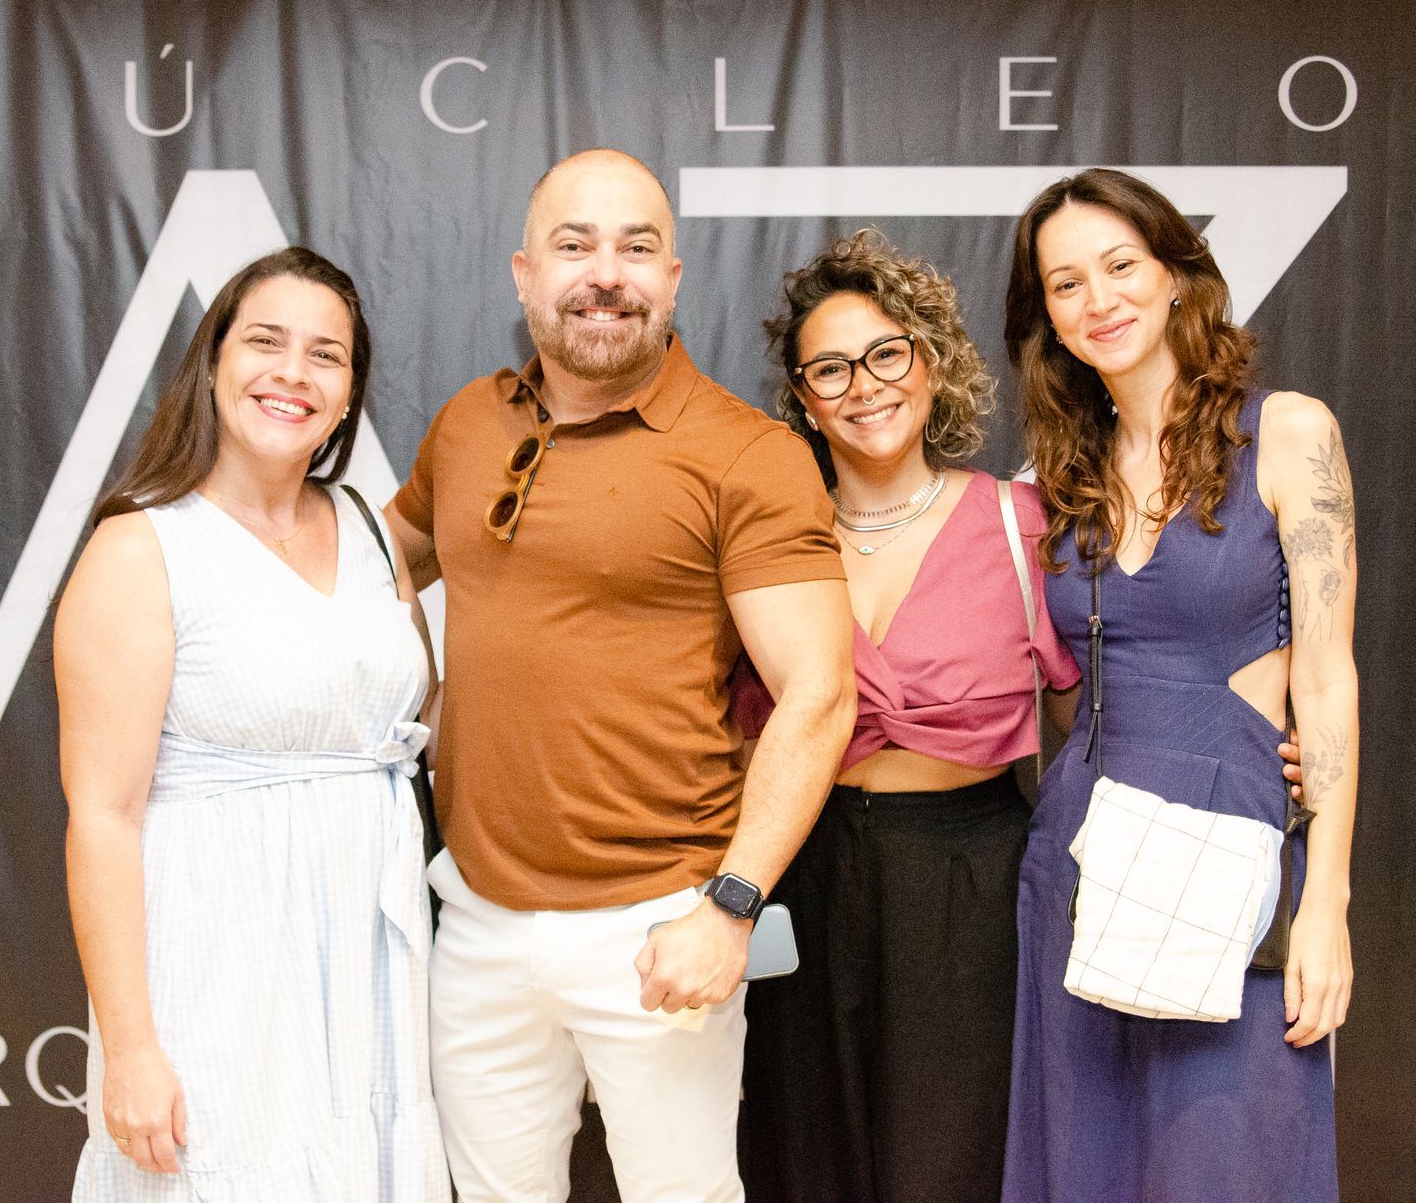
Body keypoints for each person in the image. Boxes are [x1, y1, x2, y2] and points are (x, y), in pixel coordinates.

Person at [384, 148, 857, 1202]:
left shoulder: (747, 454)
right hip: (476, 923)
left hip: (663, 925)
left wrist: (730, 907)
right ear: (523, 275)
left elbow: (821, 694)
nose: (606, 274)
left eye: (637, 248)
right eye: (574, 245)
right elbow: (371, 564)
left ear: (673, 280)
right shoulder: (468, 424)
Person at [56, 247, 449, 1200]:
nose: (293, 373)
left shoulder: (371, 532)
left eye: (326, 355)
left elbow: (423, 717)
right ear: (213, 364)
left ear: (348, 397)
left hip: (369, 955)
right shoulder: (140, 547)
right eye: (266, 342)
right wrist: (130, 1048)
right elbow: (103, 816)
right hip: (217, 956)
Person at [1002, 168, 1357, 1200]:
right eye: (1066, 284)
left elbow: (1327, 679)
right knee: (1088, 1166)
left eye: (1120, 266)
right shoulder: (1052, 482)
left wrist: (1327, 903)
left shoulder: (1289, 433)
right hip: (1081, 857)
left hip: (1231, 850)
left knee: (1226, 1162)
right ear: (1047, 316)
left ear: (1174, 275)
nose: (1098, 300)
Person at [729, 230, 1082, 1201]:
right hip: (806, 870)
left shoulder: (1020, 525)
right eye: (831, 369)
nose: (864, 386)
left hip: (973, 880)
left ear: (931, 364)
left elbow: (1096, 713)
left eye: (887, 354)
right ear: (804, 399)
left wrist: (1248, 744)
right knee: (809, 1157)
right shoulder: (774, 541)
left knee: (952, 1160)